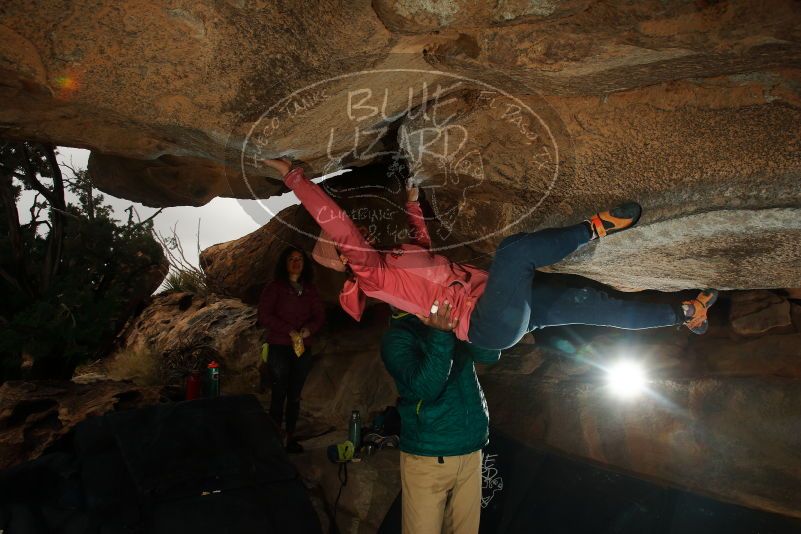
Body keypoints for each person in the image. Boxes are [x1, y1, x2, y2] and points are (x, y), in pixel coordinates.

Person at [262, 158, 718, 349]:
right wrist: (295, 178)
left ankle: (685, 314)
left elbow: (425, 249)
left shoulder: (394, 257)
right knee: (514, 252)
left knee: (598, 306)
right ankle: (597, 227)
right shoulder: (371, 275)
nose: (353, 234)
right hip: (483, 324)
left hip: (505, 309)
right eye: (343, 245)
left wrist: (413, 205)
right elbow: (335, 221)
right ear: (343, 257)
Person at [381, 302, 500, 534]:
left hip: (470, 448)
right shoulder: (397, 337)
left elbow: (489, 354)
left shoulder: (450, 315)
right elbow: (426, 388)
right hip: (429, 455)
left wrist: (474, 317)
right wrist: (440, 333)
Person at [257, 246, 325, 453]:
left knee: (295, 395)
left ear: (304, 264)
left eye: (299, 259)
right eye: (291, 259)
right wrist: (289, 330)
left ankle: (290, 438)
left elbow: (319, 317)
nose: (296, 263)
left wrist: (307, 330)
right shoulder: (275, 287)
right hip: (279, 346)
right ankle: (275, 440)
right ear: (284, 264)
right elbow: (264, 315)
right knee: (279, 394)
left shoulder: (310, 289)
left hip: (302, 347)